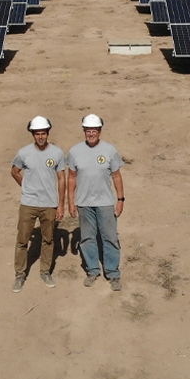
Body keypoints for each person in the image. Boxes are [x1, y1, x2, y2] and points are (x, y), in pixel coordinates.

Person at [67, 114, 125, 291]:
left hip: (105, 202)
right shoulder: (75, 151)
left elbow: (116, 176)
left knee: (110, 237)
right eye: (88, 130)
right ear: (84, 131)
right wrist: (71, 201)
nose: (91, 134)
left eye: (94, 130)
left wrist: (120, 199)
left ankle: (112, 273)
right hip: (84, 203)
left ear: (100, 131)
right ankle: (92, 270)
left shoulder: (110, 150)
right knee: (87, 238)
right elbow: (71, 178)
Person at [10, 116, 66, 293]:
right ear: (32, 134)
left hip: (49, 204)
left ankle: (45, 272)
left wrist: (61, 204)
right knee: (22, 240)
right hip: (28, 203)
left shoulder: (57, 153)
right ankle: (20, 274)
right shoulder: (24, 153)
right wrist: (25, 185)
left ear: (48, 133)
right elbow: (14, 171)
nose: (40, 137)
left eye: (43, 133)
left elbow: (61, 179)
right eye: (37, 134)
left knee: (48, 239)